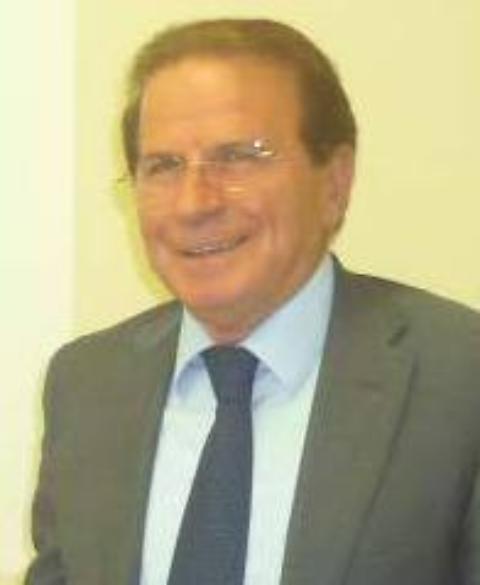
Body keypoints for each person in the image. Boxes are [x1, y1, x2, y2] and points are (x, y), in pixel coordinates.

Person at [26, 18, 480, 585]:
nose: (194, 203)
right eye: (163, 166)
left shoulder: (457, 379)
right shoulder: (87, 385)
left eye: (239, 156)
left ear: (335, 182)